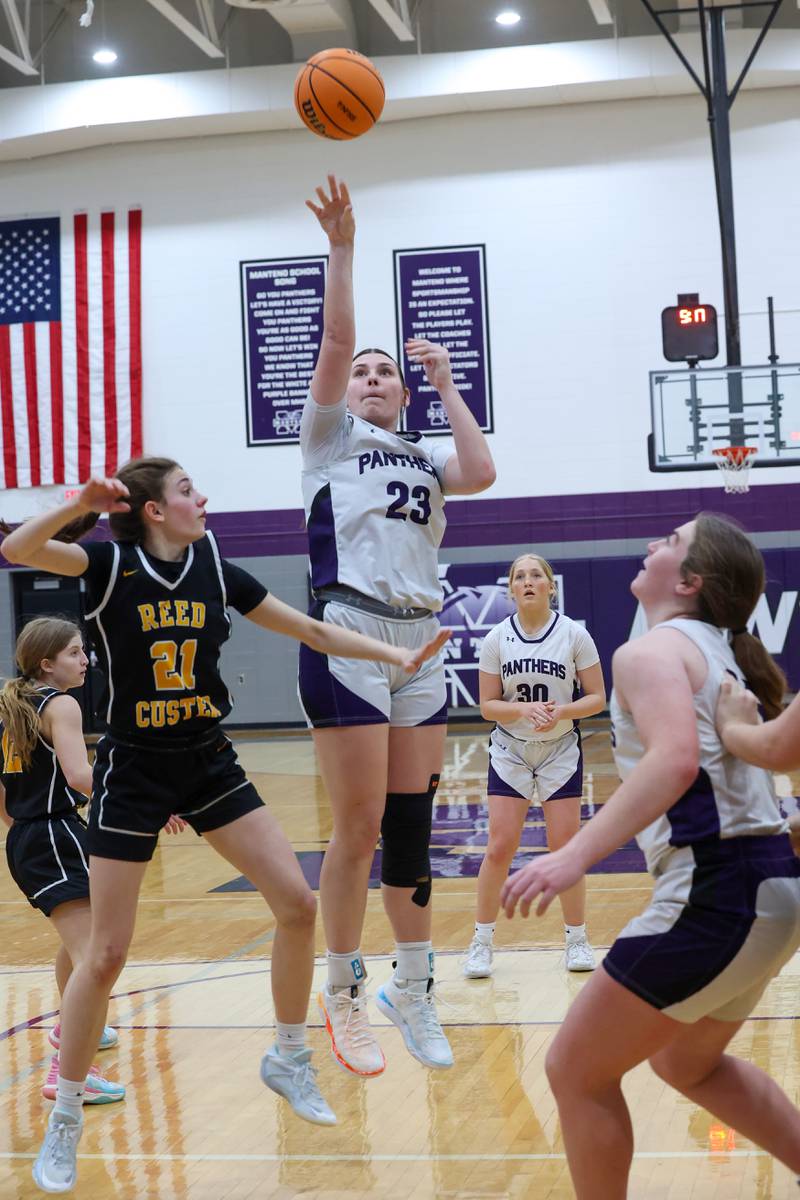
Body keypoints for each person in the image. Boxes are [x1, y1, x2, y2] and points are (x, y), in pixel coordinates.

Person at [0, 457, 449, 1194]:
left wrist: (393, 651)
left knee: (297, 905)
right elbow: (17, 551)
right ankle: (68, 1113)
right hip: (135, 769)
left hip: (207, 759)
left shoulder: (212, 562)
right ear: (151, 509)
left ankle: (288, 1055)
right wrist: (77, 503)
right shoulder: (108, 564)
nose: (201, 498)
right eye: (186, 490)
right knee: (106, 955)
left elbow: (308, 627)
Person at [500, 513, 800, 1200]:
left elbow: (674, 761)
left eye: (669, 543)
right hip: (770, 889)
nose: (650, 545)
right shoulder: (718, 648)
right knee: (685, 1066)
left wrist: (572, 855)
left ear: (690, 580)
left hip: (720, 893)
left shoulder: (650, 651)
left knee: (575, 1071)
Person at [300, 176, 495, 1077]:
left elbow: (483, 470)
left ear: (401, 393)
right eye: (364, 372)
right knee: (359, 824)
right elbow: (339, 337)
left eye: (386, 372)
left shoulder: (424, 454)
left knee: (414, 829)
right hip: (347, 632)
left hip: (419, 643)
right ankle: (340, 990)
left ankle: (412, 991)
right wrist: (344, 248)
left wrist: (450, 384)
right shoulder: (329, 439)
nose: (372, 377)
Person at [0, 617, 131, 1106]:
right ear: (47, 664)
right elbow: (80, 776)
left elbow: (4, 796)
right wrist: (145, 796)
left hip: (35, 836)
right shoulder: (63, 705)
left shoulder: (9, 704)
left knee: (83, 941)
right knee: (98, 958)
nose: (85, 660)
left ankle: (72, 1028)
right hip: (54, 833)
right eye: (76, 653)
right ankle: (68, 1068)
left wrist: (24, 833)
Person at [462, 553, 606, 979]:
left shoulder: (574, 634)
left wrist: (560, 712)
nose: (528, 581)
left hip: (560, 748)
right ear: (510, 589)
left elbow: (596, 697)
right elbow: (488, 706)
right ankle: (481, 942)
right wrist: (523, 710)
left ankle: (577, 938)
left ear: (550, 586)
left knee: (566, 848)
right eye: (519, 576)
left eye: (536, 575)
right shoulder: (496, 639)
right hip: (511, 749)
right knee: (499, 846)